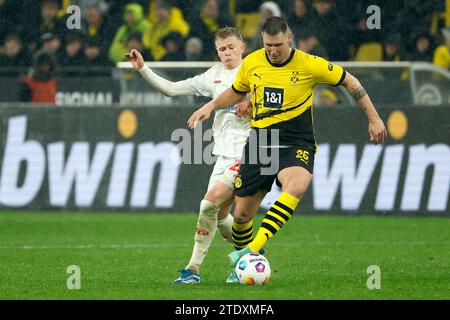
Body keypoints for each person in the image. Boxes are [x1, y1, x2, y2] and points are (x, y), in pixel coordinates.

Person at [187, 17, 388, 279]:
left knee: (296, 185)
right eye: (269, 45)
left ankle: (250, 253)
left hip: (296, 141)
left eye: (278, 45)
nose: (273, 50)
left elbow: (351, 81)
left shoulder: (309, 63)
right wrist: (209, 106)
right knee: (241, 216)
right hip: (260, 143)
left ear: (289, 39)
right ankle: (242, 265)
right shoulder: (253, 62)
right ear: (262, 41)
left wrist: (373, 118)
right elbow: (237, 91)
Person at [127, 27, 253, 284]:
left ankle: (192, 270)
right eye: (221, 49)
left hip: (249, 152)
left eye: (231, 47)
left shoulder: (255, 70)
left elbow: (278, 101)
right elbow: (172, 90)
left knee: (208, 203)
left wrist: (253, 103)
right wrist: (143, 69)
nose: (227, 52)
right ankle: (252, 253)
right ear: (217, 52)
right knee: (218, 216)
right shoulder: (214, 76)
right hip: (223, 156)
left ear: (242, 47)